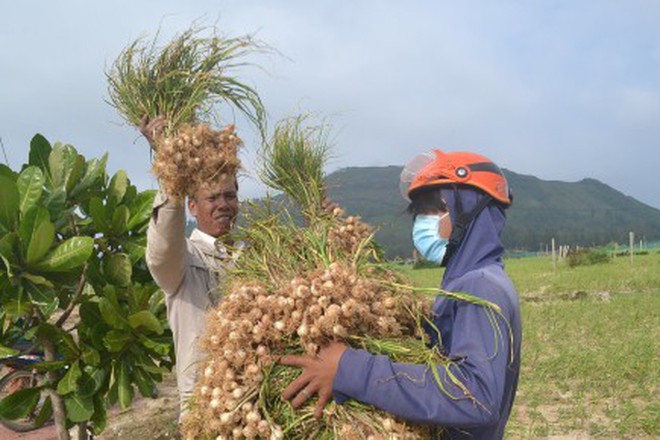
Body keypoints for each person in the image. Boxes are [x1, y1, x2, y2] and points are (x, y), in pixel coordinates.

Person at [281, 149, 522, 439]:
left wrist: (351, 369)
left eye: (431, 210)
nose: (422, 222)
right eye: (419, 213)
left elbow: (476, 394)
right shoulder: (465, 281)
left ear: (467, 207)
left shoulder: (480, 288)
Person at [140, 116, 242, 416]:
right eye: (211, 197)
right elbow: (162, 248)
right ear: (192, 207)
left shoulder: (255, 257)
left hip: (257, 395)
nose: (223, 204)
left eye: (230, 195)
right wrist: (171, 172)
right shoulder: (181, 259)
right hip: (205, 405)